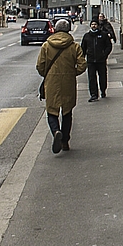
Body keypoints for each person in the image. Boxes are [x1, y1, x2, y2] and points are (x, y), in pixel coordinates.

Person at [36, 19, 87, 153]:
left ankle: (55, 131)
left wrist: (47, 75)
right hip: (68, 82)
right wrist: (72, 73)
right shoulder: (74, 46)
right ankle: (65, 141)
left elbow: (40, 66)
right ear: (68, 30)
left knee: (52, 111)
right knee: (67, 111)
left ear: (55, 30)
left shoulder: (46, 45)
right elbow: (82, 65)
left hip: (51, 82)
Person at [81, 19, 112, 101]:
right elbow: (83, 48)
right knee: (91, 78)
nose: (93, 26)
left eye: (95, 24)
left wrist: (104, 54)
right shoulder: (87, 36)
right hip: (91, 61)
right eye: (92, 24)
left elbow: (109, 46)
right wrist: (82, 58)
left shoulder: (103, 35)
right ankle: (94, 94)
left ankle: (103, 90)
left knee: (102, 77)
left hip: (101, 60)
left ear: (98, 25)